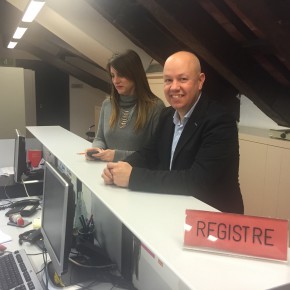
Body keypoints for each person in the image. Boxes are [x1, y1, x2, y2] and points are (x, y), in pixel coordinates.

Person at [101, 51, 244, 214]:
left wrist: (132, 177)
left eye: (183, 79)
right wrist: (120, 167)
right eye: (168, 80)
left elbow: (196, 181)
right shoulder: (167, 115)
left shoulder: (220, 120)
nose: (174, 87)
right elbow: (150, 153)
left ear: (200, 81)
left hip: (212, 219)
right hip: (174, 209)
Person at [86, 49, 165, 162]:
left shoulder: (155, 107)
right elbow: (100, 138)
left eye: (121, 75)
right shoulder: (107, 104)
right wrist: (96, 150)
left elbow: (156, 154)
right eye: (113, 76)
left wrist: (116, 155)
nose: (115, 81)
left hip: (135, 175)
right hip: (106, 172)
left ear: (135, 75)